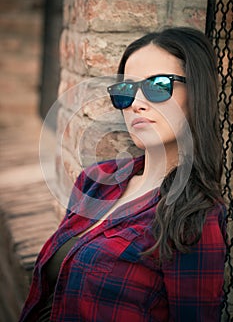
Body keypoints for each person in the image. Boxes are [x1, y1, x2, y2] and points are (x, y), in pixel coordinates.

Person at [19, 27, 226, 322]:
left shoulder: (194, 217)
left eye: (158, 85)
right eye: (126, 91)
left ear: (197, 93)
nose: (137, 104)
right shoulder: (96, 180)